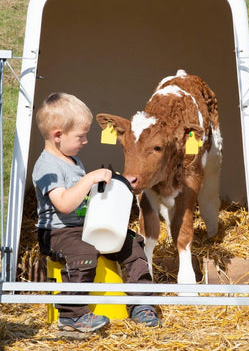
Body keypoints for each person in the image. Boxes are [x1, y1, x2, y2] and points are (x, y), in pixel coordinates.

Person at [32, 92, 161, 333]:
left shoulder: (73, 160)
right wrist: (90, 179)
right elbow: (64, 204)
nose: (85, 141)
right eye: (81, 136)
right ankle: (72, 314)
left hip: (84, 226)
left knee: (131, 242)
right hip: (58, 233)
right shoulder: (47, 166)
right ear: (57, 135)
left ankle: (141, 302)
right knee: (84, 251)